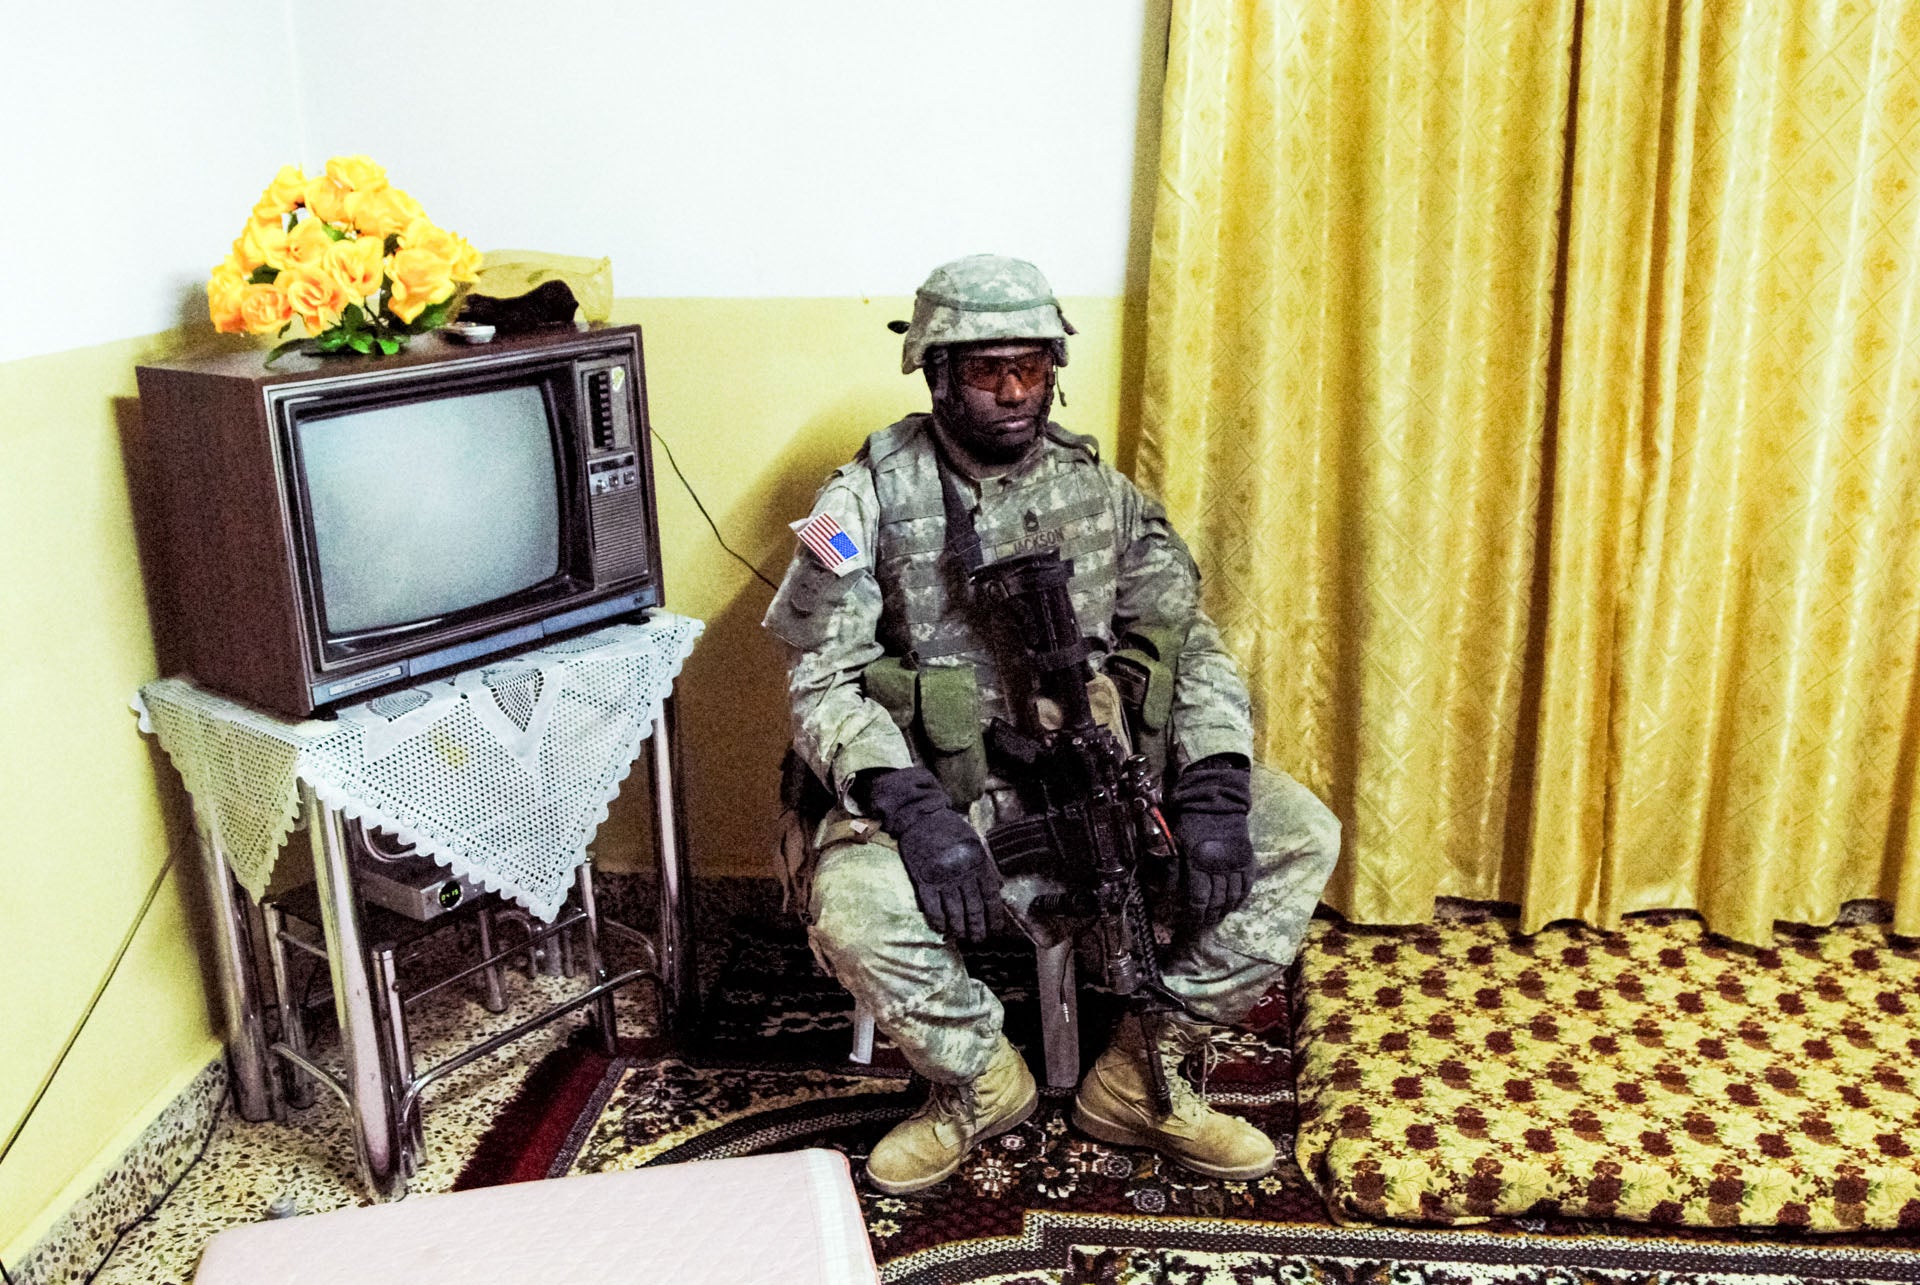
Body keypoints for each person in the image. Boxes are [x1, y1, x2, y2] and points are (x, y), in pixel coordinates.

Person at [763, 254, 1339, 1195]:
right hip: (943, 795)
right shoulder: (862, 501)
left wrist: (1215, 778)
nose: (1015, 391)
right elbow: (821, 679)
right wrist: (909, 806)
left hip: (1097, 777)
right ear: (935, 372)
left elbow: (1186, 642)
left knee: (1299, 834)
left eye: (1031, 367)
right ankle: (977, 1080)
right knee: (855, 907)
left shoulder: (1099, 491)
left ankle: (1144, 1072)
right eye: (988, 370)